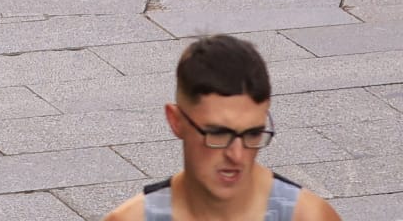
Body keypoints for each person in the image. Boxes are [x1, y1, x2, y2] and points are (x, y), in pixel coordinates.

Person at [100, 36, 341, 221]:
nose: (237, 156)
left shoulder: (308, 216)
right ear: (176, 121)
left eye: (252, 134)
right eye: (218, 133)